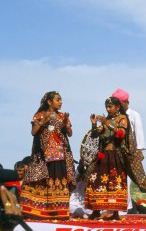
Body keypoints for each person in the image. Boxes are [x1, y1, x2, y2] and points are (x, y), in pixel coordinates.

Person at [20, 91, 75, 220]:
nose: (60, 102)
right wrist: (43, 120)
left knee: (58, 180)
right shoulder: (40, 115)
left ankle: (58, 211)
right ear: (49, 102)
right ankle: (37, 210)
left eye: (61, 99)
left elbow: (70, 133)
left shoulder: (62, 116)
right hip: (43, 155)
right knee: (42, 179)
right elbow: (34, 132)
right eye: (57, 99)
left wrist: (66, 122)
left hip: (60, 154)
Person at [84, 97, 132, 220]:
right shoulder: (107, 120)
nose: (108, 109)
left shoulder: (122, 118)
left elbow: (121, 133)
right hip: (103, 155)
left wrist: (106, 123)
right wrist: (94, 124)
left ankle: (115, 213)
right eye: (107, 106)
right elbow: (95, 134)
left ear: (117, 107)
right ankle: (96, 210)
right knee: (97, 181)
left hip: (116, 155)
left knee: (115, 183)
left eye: (110, 106)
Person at [112, 88, 146, 213]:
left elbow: (138, 133)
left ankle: (124, 208)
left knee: (127, 179)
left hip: (130, 151)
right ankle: (114, 207)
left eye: (119, 103)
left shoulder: (134, 115)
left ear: (126, 102)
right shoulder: (113, 116)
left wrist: (139, 151)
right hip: (115, 150)